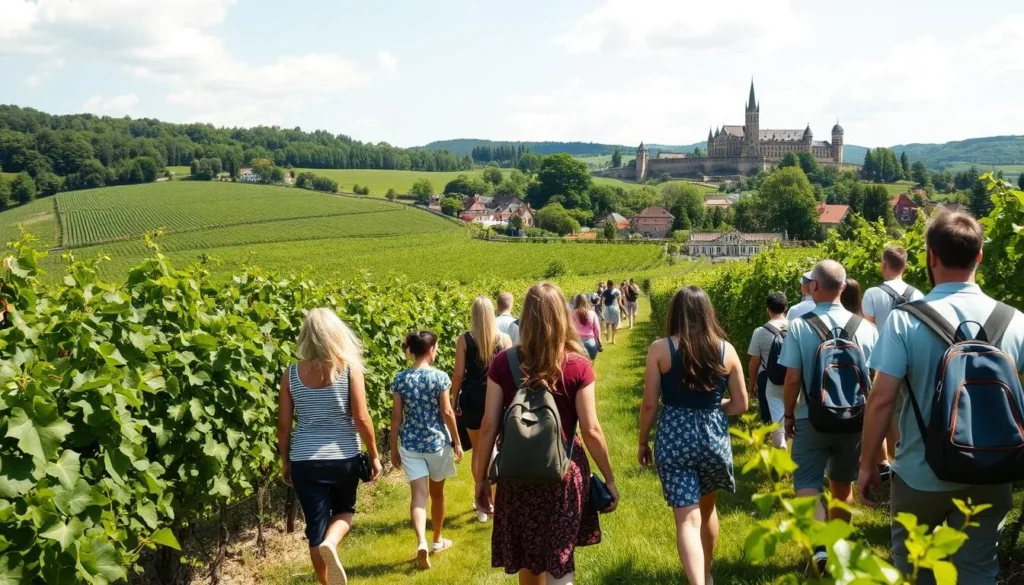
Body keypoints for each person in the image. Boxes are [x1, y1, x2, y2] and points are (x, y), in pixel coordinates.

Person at [858, 210, 1024, 584]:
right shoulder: (1015, 320)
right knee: (978, 572)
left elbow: (881, 399)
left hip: (920, 473)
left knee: (915, 570)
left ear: (930, 256)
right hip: (993, 472)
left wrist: (869, 463)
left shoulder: (905, 319)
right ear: (980, 255)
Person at [473, 282, 619, 585]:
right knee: (559, 559)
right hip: (563, 472)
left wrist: (481, 478)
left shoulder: (503, 362)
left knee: (528, 558)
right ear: (561, 317)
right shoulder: (578, 365)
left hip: (516, 474)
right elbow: (591, 429)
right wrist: (610, 478)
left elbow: (488, 424)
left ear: (525, 316)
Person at [639, 286, 748, 585]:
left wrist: (642, 441)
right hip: (713, 439)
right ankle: (707, 573)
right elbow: (741, 404)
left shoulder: (660, 349)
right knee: (708, 508)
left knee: (687, 518)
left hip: (674, 436)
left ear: (675, 312)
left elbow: (650, 403)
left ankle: (698, 582)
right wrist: (713, 411)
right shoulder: (726, 350)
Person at [778, 260, 878, 575]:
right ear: (844, 287)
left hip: (812, 418)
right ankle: (835, 550)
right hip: (854, 420)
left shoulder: (799, 325)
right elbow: (874, 380)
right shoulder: (866, 327)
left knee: (806, 482)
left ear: (815, 287)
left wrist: (790, 415)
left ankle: (818, 547)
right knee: (842, 484)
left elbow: (792, 378)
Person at [276, 308, 382, 585]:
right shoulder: (348, 368)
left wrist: (285, 461)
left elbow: (284, 426)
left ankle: (325, 581)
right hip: (343, 456)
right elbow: (361, 417)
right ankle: (332, 544)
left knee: (315, 527)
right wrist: (374, 455)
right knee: (345, 511)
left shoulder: (290, 374)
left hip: (303, 460)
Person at [390, 330, 464, 570]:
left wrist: (393, 448)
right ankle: (437, 540)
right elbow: (447, 412)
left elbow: (396, 418)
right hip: (436, 444)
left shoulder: (401, 379)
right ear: (431, 349)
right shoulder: (440, 378)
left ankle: (421, 541)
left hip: (410, 445)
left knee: (418, 498)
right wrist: (457, 441)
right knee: (438, 494)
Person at [451, 296, 512, 522]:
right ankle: (495, 498)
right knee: (498, 447)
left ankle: (481, 504)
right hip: (498, 397)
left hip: (473, 398)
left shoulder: (465, 339)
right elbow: (511, 370)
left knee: (478, 450)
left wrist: (453, 398)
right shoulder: (503, 339)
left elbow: (458, 374)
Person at [747, 292, 788, 449]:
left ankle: (777, 443)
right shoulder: (797, 327)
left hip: (768, 377)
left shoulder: (760, 332)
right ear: (786, 307)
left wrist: (752, 384)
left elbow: (754, 361)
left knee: (772, 415)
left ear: (768, 310)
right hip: (793, 376)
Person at [862, 246, 924, 328]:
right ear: (905, 267)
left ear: (883, 265)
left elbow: (868, 329)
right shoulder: (918, 295)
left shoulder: (871, 294)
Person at [572, 293, 603, 360]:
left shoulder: (572, 314)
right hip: (591, 342)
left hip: (578, 343)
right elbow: (597, 329)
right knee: (590, 366)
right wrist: (599, 342)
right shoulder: (592, 313)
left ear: (576, 302)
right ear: (586, 301)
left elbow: (570, 329)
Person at [601, 280, 623, 345]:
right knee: (614, 325)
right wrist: (622, 309)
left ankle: (608, 335)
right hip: (615, 308)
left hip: (607, 309)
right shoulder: (617, 292)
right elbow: (619, 302)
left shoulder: (604, 292)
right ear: (613, 285)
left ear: (608, 285)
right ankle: (613, 339)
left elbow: (602, 301)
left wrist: (602, 308)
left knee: (608, 324)